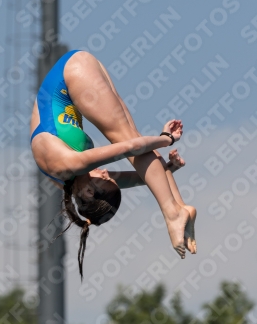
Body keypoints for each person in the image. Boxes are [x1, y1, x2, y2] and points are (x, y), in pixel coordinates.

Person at [30, 49, 197, 278]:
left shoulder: (70, 165)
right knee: (130, 134)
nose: (108, 174)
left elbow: (131, 147)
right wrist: (169, 169)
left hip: (70, 75)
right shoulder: (70, 180)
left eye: (106, 180)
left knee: (126, 137)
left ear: (89, 192)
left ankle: (172, 213)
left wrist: (166, 138)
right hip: (76, 71)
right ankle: (180, 206)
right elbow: (134, 176)